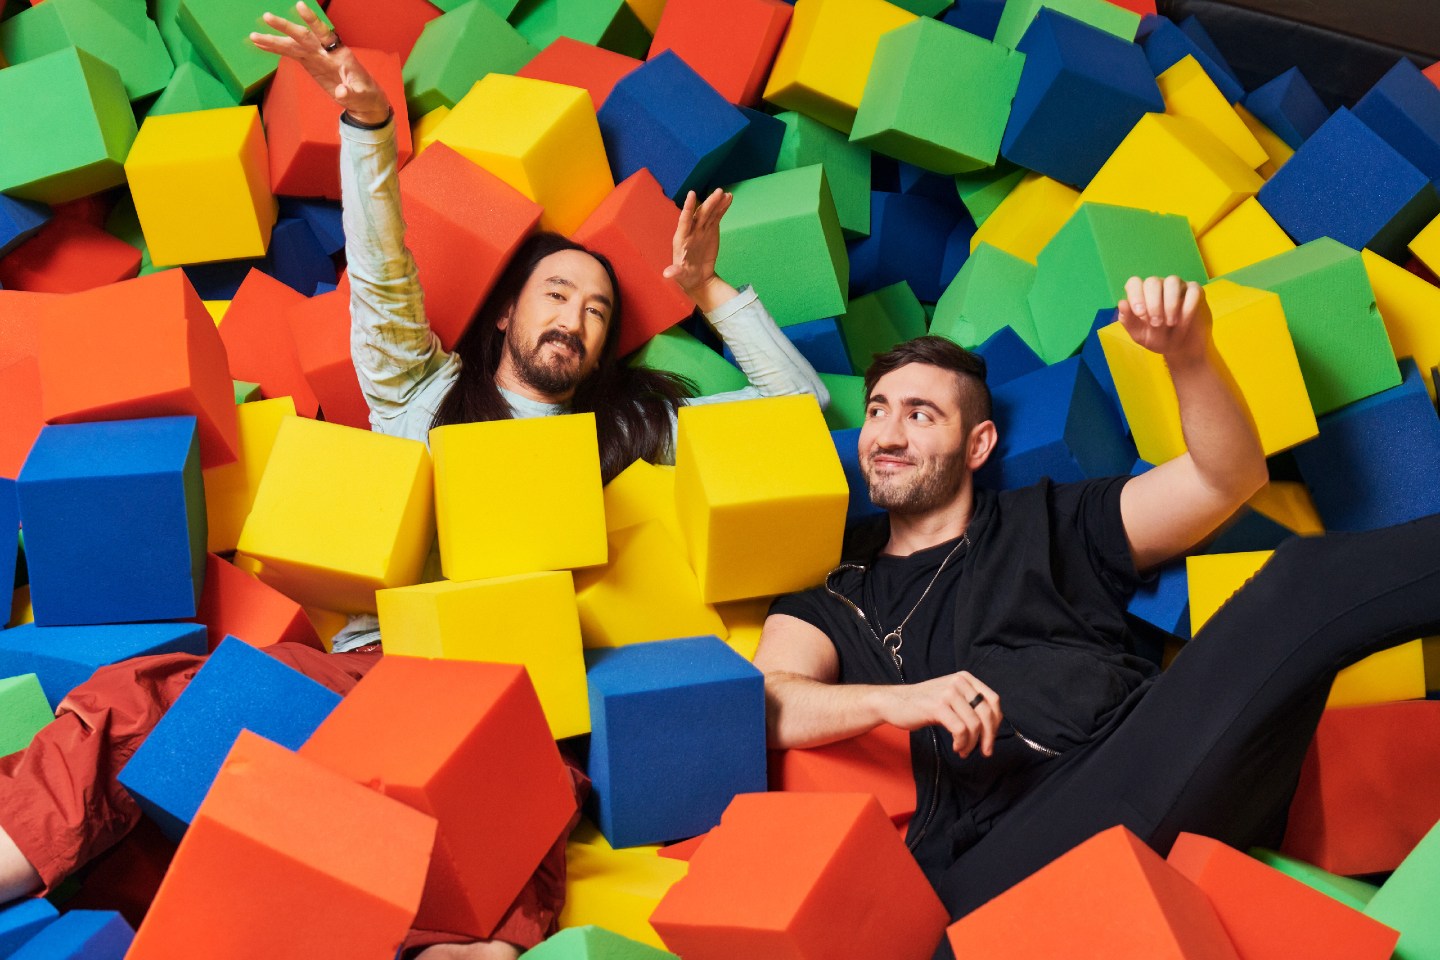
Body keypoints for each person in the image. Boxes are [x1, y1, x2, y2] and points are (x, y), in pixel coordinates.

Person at [0, 5, 827, 957]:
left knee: (520, 810)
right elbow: (385, 272)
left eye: (598, 310)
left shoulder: (631, 437)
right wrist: (365, 126)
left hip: (520, 693)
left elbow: (792, 418)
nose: (576, 318)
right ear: (512, 310)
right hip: (371, 668)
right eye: (558, 294)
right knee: (142, 698)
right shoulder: (419, 389)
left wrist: (713, 292)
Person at [754, 277, 1440, 958]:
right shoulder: (836, 598)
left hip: (1148, 757)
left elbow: (1222, 480)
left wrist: (1189, 354)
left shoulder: (1052, 519)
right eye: (877, 411)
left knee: (1302, 579)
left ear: (978, 444)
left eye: (920, 414)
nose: (887, 433)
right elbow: (770, 702)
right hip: (1001, 848)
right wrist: (896, 700)